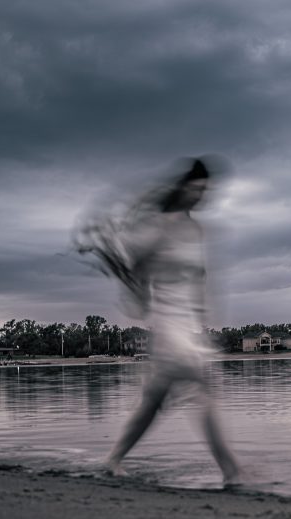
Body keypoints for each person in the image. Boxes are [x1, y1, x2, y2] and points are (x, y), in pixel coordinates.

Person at [76, 158, 243, 484]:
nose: (200, 195)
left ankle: (112, 459)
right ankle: (231, 470)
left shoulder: (195, 230)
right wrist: (136, 291)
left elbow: (201, 281)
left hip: (189, 327)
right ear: (182, 188)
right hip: (168, 325)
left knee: (152, 401)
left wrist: (204, 325)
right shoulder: (159, 225)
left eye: (205, 190)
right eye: (196, 188)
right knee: (205, 387)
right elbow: (135, 268)